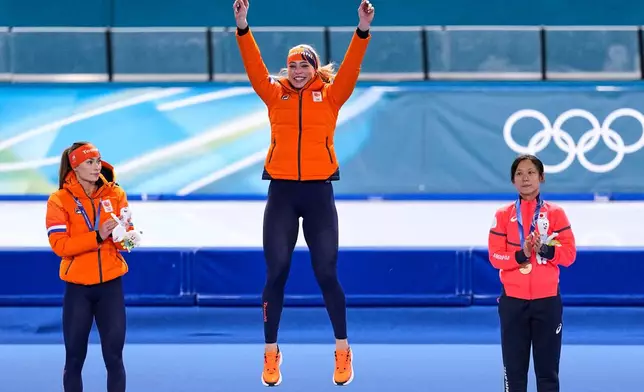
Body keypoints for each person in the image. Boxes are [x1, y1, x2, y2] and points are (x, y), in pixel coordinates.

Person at [233, 0, 374, 386]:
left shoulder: (330, 96)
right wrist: (243, 25)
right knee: (276, 272)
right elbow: (253, 66)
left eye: (304, 66)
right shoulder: (273, 94)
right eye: (293, 65)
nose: (297, 72)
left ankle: (342, 349)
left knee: (325, 272)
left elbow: (351, 68)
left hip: (318, 195)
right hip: (281, 193)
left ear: (314, 70)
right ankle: (270, 353)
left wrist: (361, 29)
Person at [45, 141, 142, 392]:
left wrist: (128, 237)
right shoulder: (59, 200)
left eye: (98, 161)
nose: (96, 166)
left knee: (114, 358)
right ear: (75, 167)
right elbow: (60, 246)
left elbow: (125, 242)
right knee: (75, 359)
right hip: (78, 290)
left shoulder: (116, 194)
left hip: (111, 287)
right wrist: (97, 236)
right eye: (89, 162)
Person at [487, 154, 577, 392]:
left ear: (541, 177)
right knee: (513, 374)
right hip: (513, 303)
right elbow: (495, 256)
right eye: (519, 173)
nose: (525, 178)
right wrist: (522, 254)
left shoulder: (556, 214)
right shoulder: (503, 215)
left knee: (548, 374)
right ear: (513, 181)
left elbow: (569, 255)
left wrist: (545, 250)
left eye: (530, 173)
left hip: (547, 302)